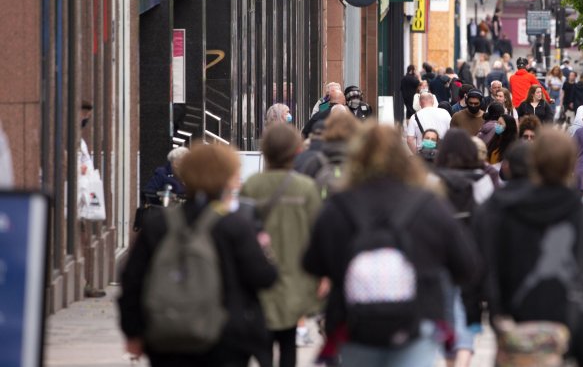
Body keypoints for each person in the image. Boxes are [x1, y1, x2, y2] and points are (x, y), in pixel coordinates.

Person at [302, 126, 479, 364]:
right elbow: (466, 265)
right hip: (417, 322)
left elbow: (311, 263)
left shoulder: (338, 207)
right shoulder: (428, 205)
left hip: (354, 326)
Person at [119, 144, 278, 366]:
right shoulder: (234, 225)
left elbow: (131, 279)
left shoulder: (158, 224)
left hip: (167, 338)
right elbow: (264, 277)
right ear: (227, 178)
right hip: (225, 338)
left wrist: (133, 331)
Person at [474, 129, 583, 367]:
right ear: (571, 164)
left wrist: (500, 311)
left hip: (521, 333)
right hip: (576, 336)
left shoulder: (505, 213)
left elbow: (488, 273)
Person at [242, 125, 322, 367]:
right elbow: (318, 234)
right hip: (295, 278)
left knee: (262, 344)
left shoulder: (251, 186)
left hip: (258, 279)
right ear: (296, 151)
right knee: (288, 342)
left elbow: (239, 231)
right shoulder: (306, 188)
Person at [432, 130, 493, 367]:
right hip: (471, 253)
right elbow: (488, 219)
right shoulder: (482, 180)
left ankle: (450, 356)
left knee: (446, 306)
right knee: (466, 305)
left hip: (440, 254)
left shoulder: (433, 181)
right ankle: (464, 354)